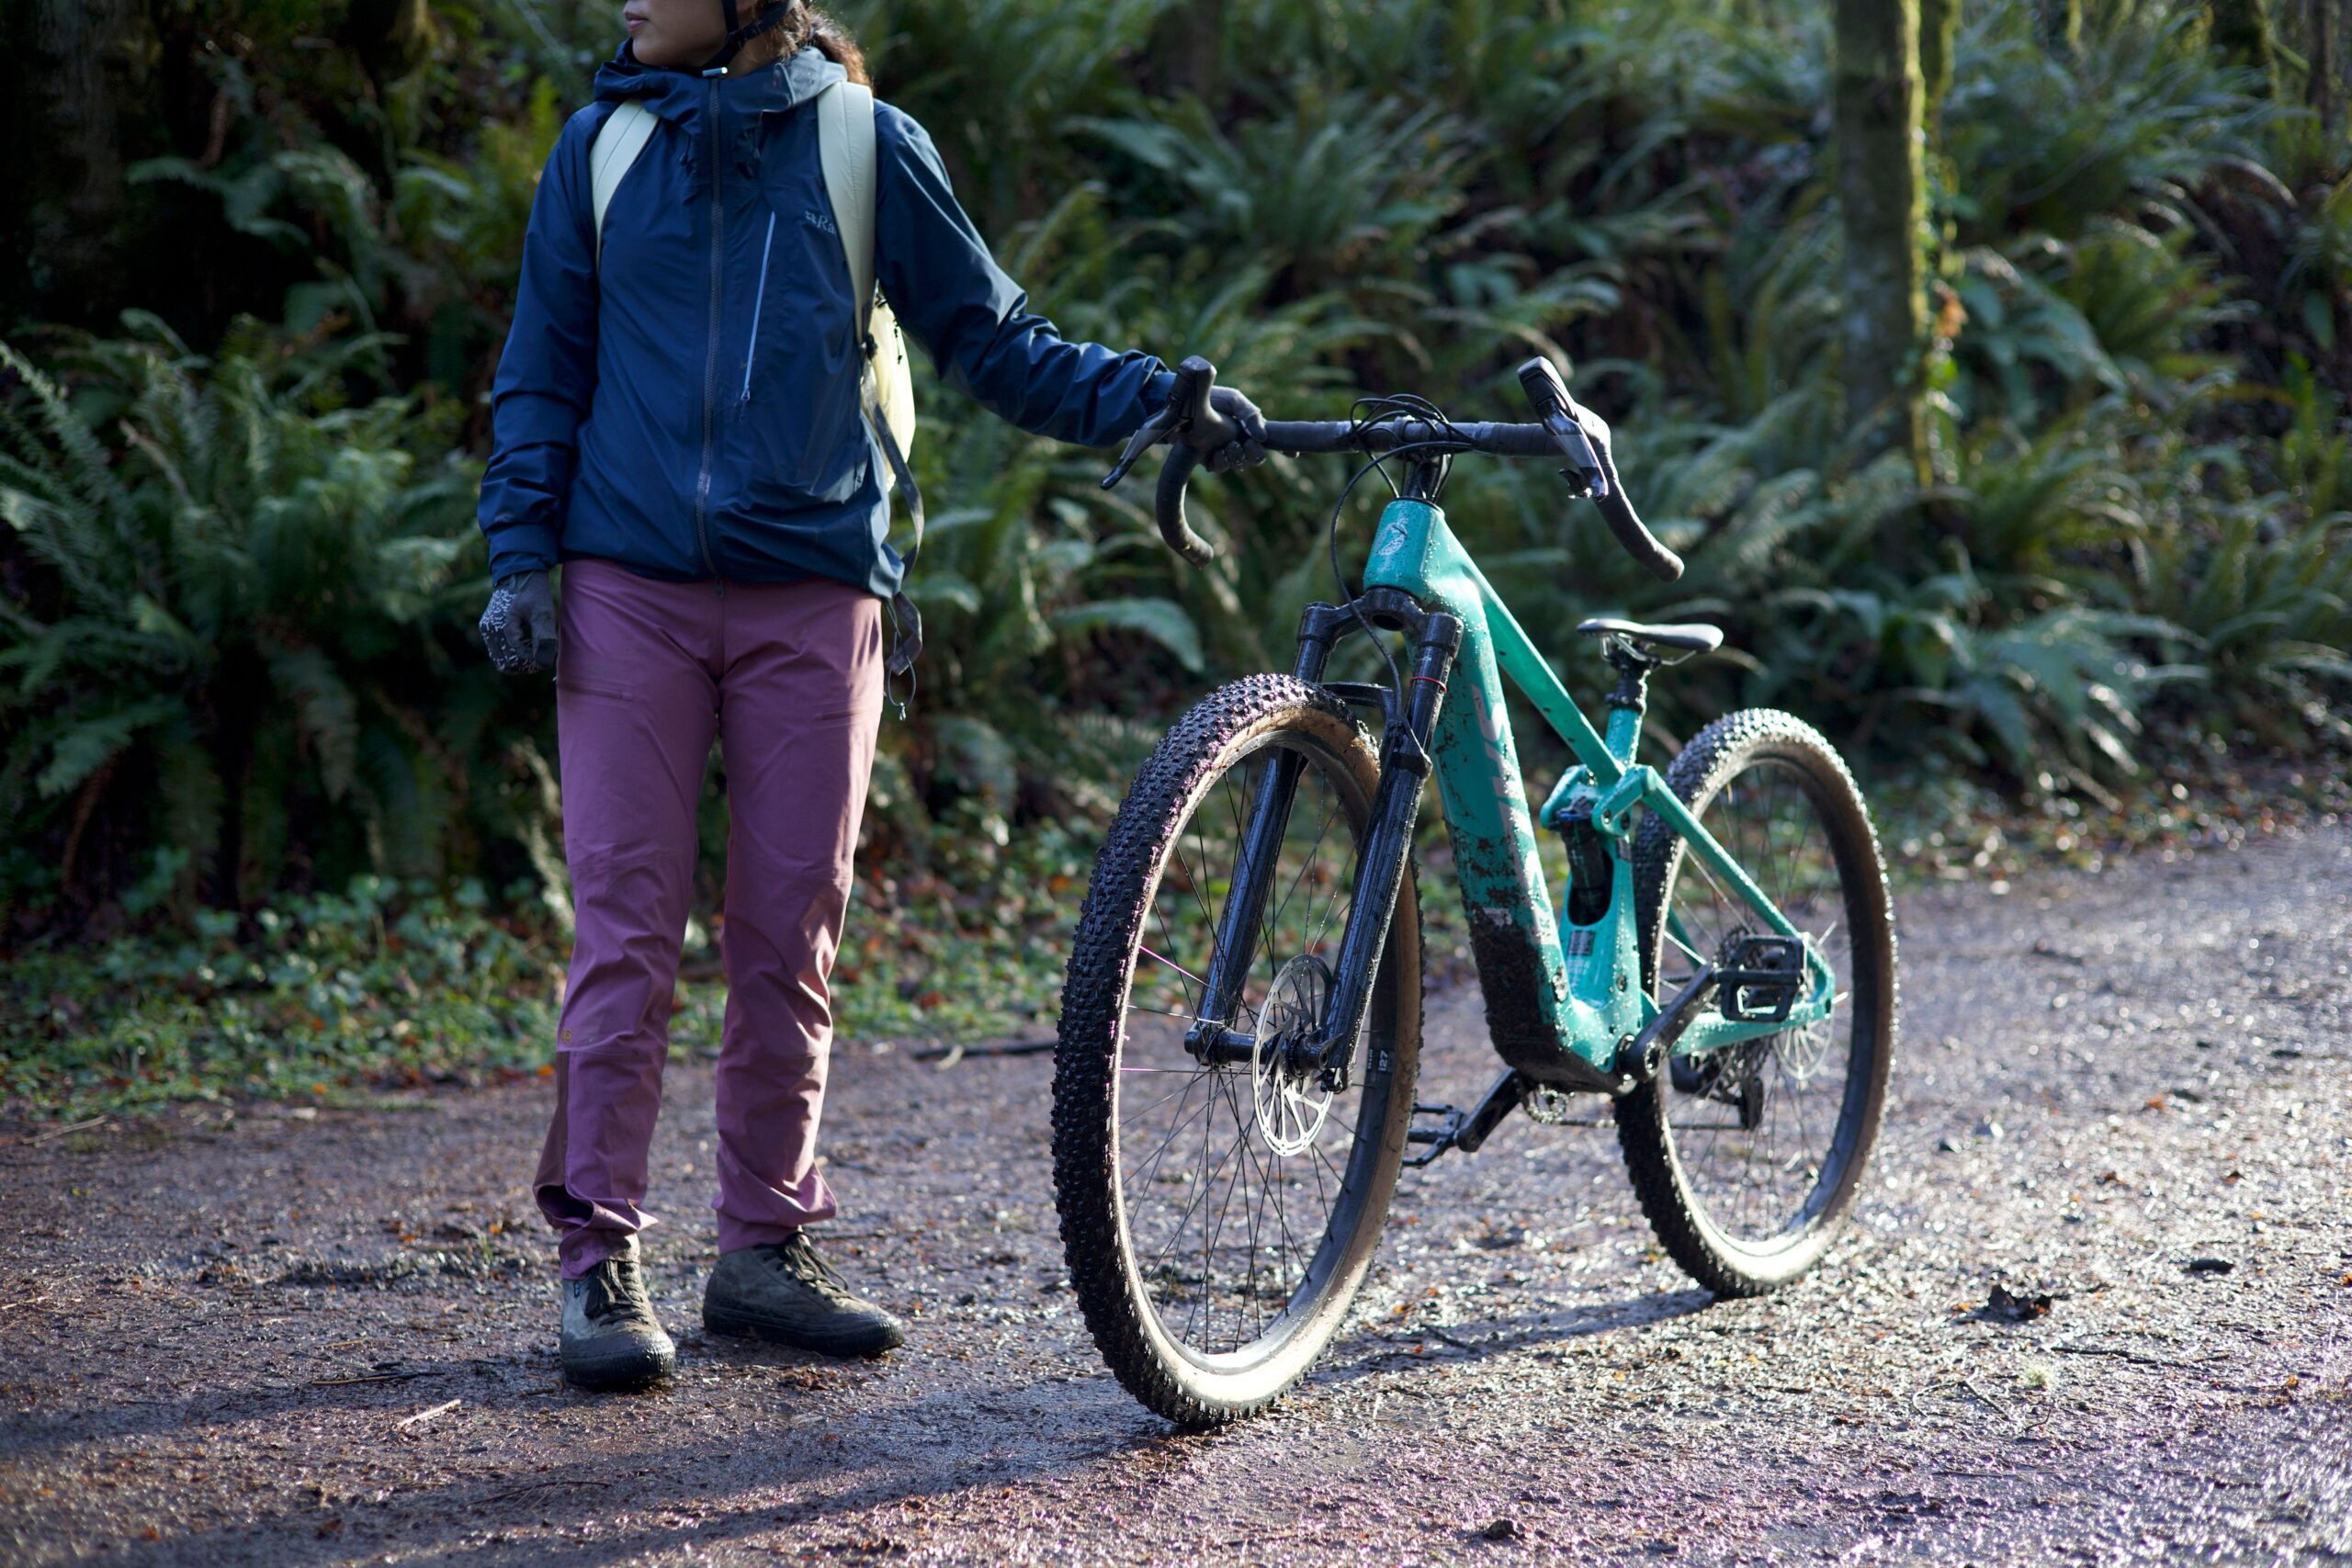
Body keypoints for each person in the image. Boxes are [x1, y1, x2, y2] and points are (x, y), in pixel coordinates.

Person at [473, 0, 1265, 1391]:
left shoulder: (864, 144)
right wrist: (520, 555)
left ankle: (763, 1252)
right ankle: (598, 1257)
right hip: (626, 588)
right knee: (625, 928)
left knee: (791, 930)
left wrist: (1149, 400)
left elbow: (993, 340)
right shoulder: (599, 151)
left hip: (816, 591)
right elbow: (541, 373)